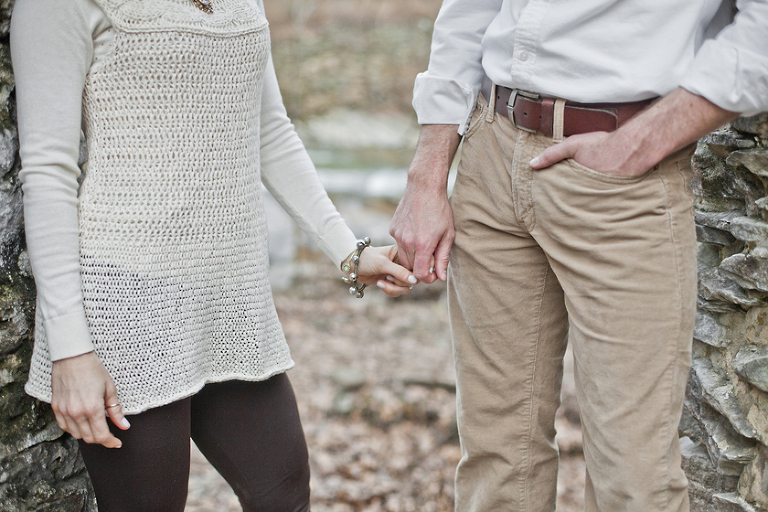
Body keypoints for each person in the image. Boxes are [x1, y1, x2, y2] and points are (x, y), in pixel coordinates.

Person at [11, 0, 418, 510]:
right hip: (128, 304)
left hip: (231, 298)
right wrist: (70, 350)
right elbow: (48, 172)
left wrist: (349, 252)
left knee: (283, 493)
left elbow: (269, 130)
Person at [390, 1, 768, 511]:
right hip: (490, 151)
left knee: (633, 480)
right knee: (494, 458)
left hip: (622, 179)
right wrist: (427, 174)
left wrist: (644, 138)